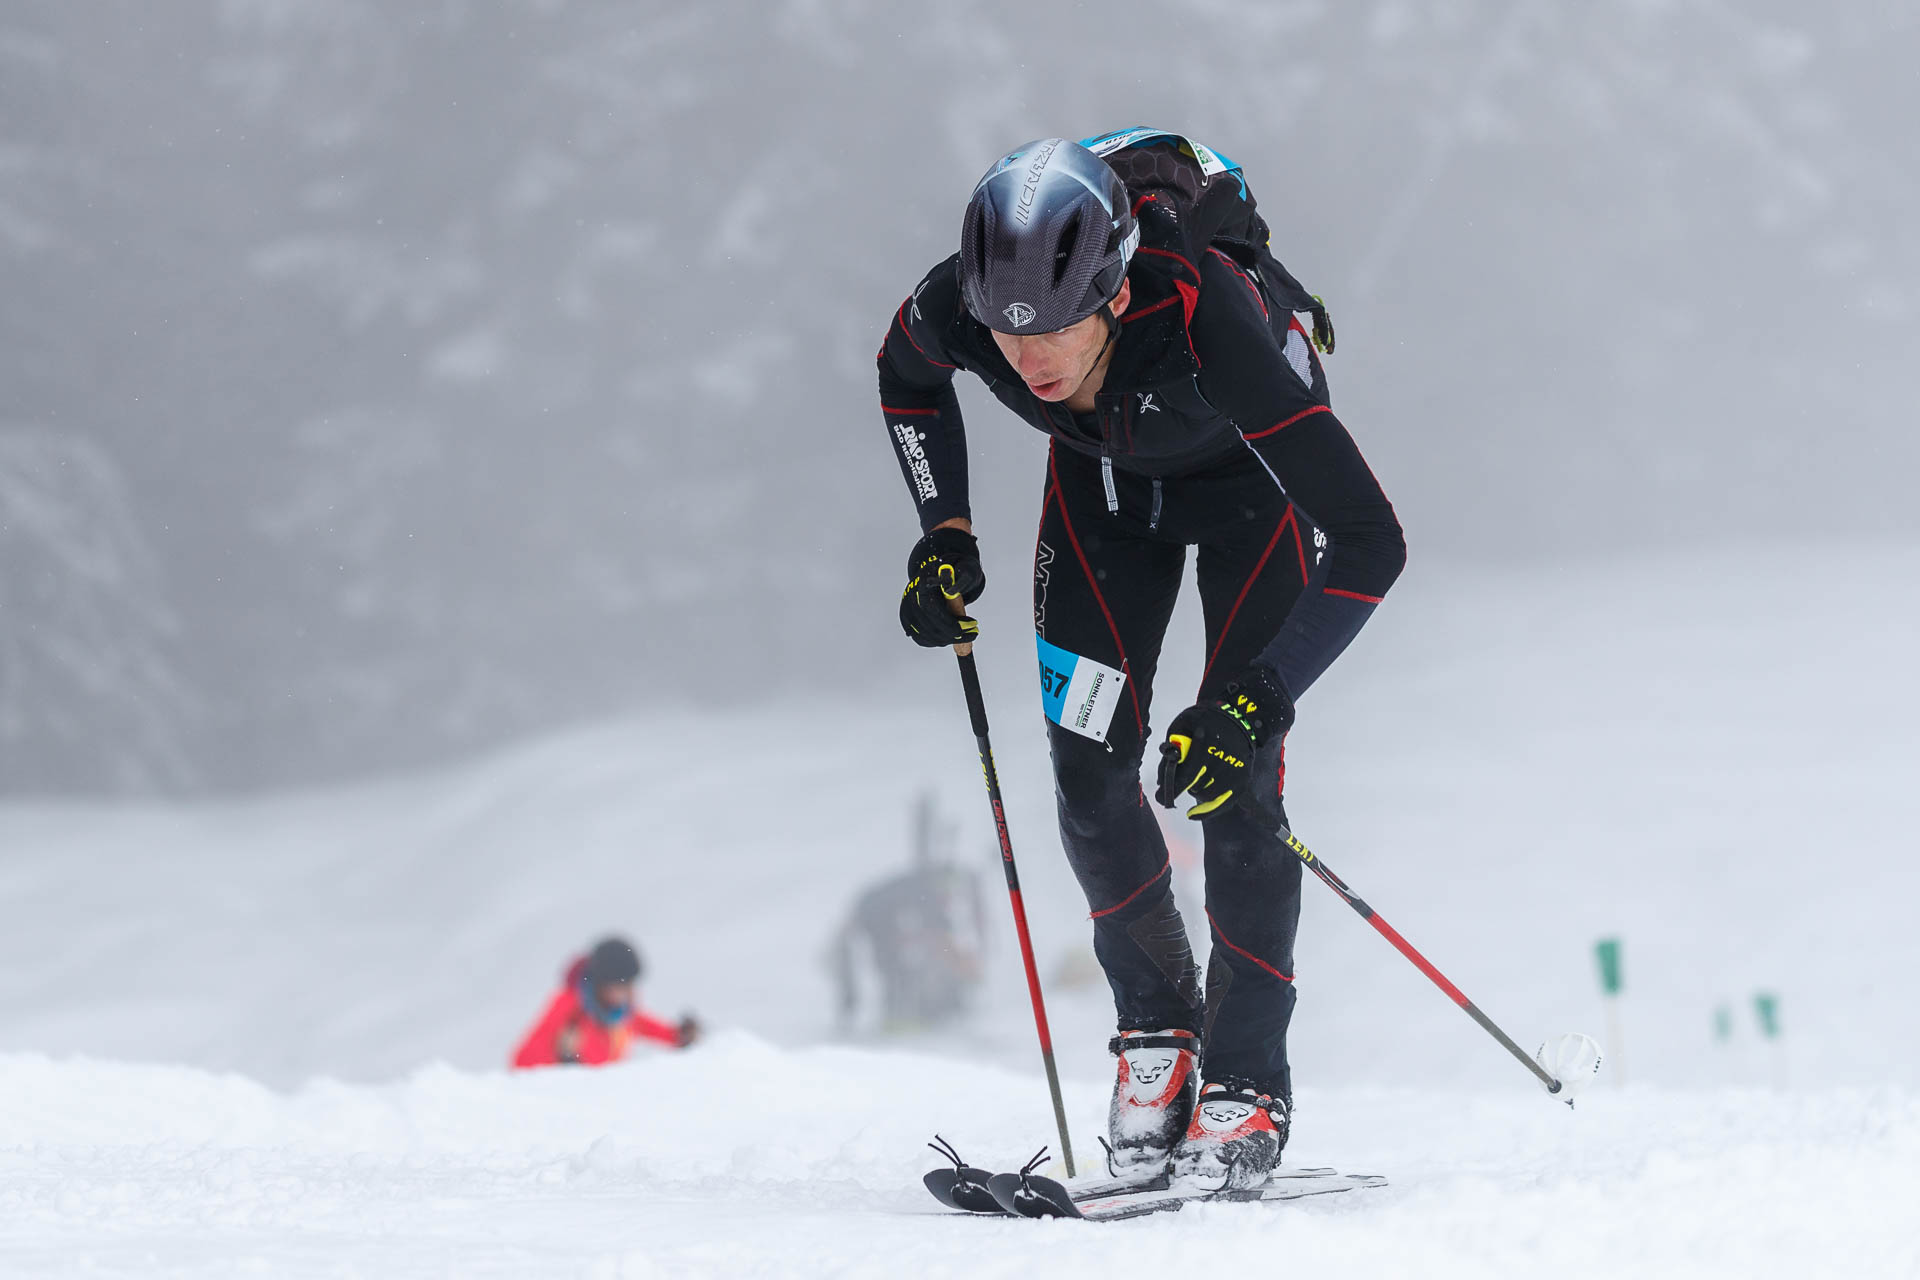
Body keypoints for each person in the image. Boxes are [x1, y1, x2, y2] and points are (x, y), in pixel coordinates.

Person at [879, 132, 1405, 1191]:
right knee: (1088, 776)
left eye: (1058, 324)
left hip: (1255, 498)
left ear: (1115, 293)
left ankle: (1249, 1082)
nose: (1029, 355)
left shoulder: (1212, 324)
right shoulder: (960, 307)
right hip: (1103, 501)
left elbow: (1370, 539)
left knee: (1232, 784)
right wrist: (944, 531)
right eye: (1005, 326)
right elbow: (904, 381)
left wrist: (1254, 703)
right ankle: (1156, 1037)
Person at [827, 792, 987, 1035]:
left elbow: (940, 939)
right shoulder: (924, 893)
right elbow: (938, 940)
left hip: (879, 927)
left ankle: (906, 1015)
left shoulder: (927, 892)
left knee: (907, 969)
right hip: (875, 923)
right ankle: (900, 1019)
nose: (952, 899)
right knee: (901, 973)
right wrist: (963, 966)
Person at [511, 936, 699, 1069]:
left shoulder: (621, 1012)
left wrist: (678, 1036)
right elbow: (520, 1062)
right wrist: (562, 1059)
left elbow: (643, 1025)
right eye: (621, 986)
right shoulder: (570, 1007)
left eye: (631, 985)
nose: (629, 993)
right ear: (602, 984)